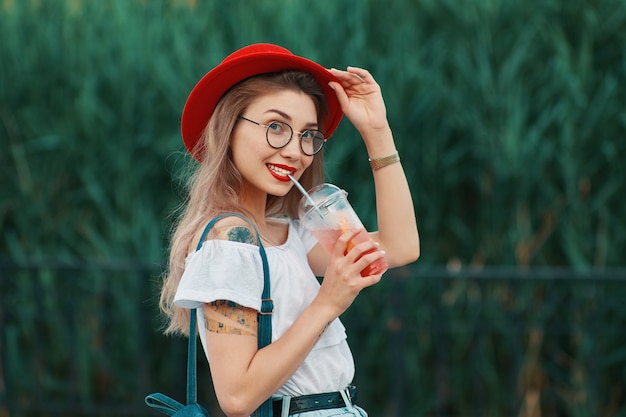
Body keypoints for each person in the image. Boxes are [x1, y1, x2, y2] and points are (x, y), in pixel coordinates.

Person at [159, 43, 420, 417]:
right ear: (229, 128)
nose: (295, 151)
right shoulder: (231, 241)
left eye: (308, 135)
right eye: (276, 127)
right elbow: (237, 397)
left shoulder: (289, 234)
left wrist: (377, 131)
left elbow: (399, 247)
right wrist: (328, 302)